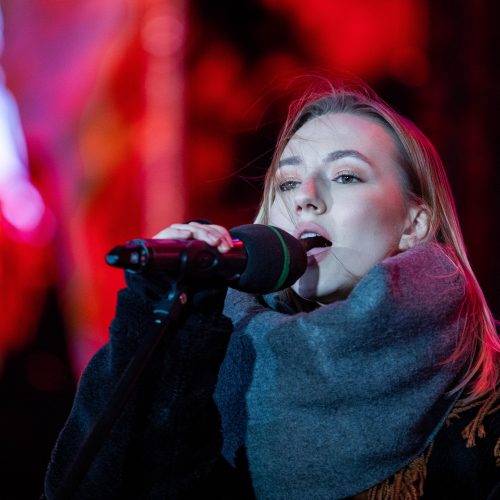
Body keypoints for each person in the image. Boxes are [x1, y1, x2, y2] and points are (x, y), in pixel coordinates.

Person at [44, 81, 499, 499]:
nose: (305, 196)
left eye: (346, 176)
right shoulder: (213, 348)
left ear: (415, 223)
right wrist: (158, 310)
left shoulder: (486, 400)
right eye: (286, 182)